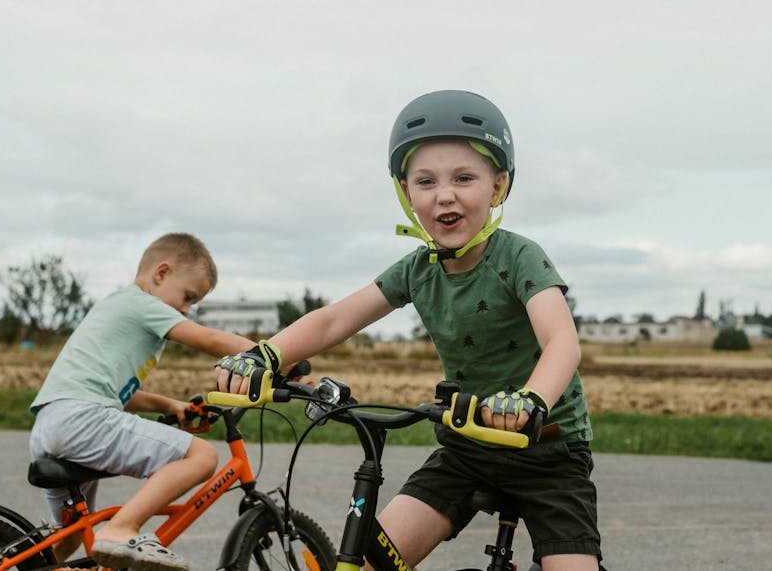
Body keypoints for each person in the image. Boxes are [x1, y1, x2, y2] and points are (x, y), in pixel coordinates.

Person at [216, 90, 602, 570]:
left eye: (464, 178)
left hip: (549, 450)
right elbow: (337, 318)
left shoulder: (519, 257)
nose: (445, 194)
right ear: (407, 193)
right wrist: (265, 356)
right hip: (468, 445)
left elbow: (561, 341)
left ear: (498, 186)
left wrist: (531, 400)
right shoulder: (418, 269)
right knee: (370, 557)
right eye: (426, 181)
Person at [29, 232, 255, 571]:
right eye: (188, 296)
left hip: (53, 423)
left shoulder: (120, 305)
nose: (186, 309)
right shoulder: (141, 303)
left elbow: (118, 392)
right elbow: (209, 339)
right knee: (202, 456)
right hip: (82, 420)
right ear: (161, 273)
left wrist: (172, 406)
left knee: (71, 537)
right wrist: (272, 354)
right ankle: (122, 528)